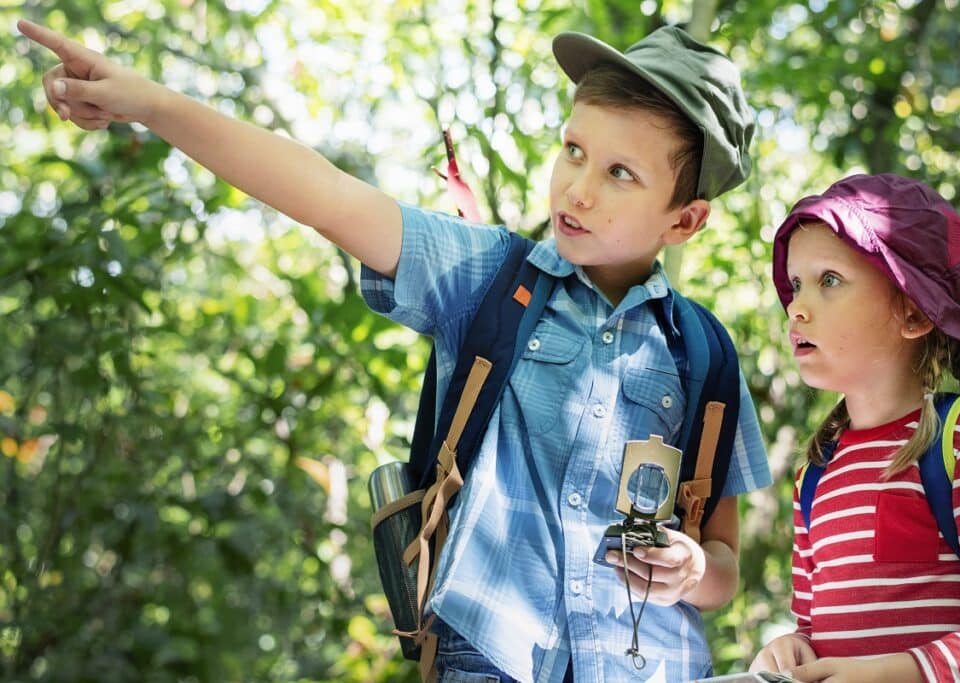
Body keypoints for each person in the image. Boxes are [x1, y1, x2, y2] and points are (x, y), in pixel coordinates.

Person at [18, 17, 772, 681]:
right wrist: (148, 102)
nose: (576, 189)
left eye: (619, 174)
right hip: (492, 661)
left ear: (686, 221)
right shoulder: (491, 279)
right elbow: (327, 195)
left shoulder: (703, 353)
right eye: (574, 150)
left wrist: (696, 569)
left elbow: (724, 563)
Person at [750, 173, 960, 682]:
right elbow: (815, 628)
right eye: (795, 285)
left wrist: (905, 671)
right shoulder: (816, 474)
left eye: (829, 280)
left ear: (915, 314)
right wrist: (791, 647)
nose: (796, 307)